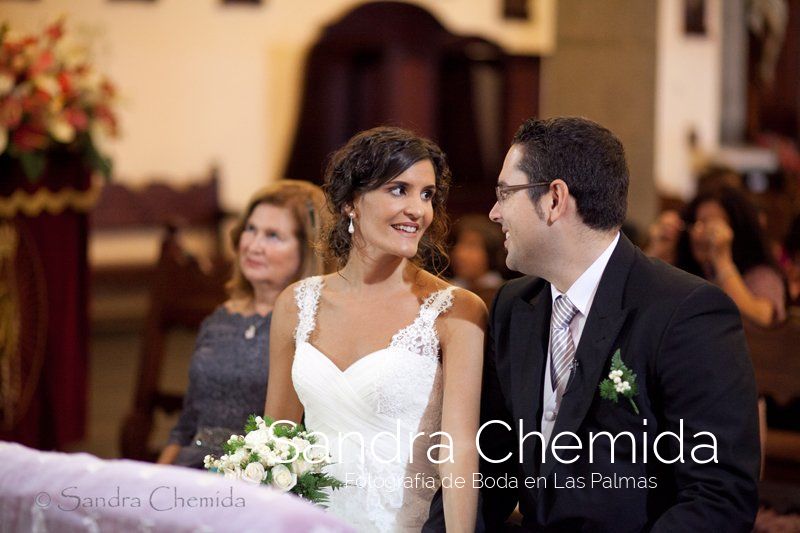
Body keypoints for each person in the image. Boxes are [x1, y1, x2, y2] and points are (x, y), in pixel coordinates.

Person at [480, 117, 760, 531]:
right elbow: (494, 469)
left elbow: (719, 495)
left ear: (555, 199)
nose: (494, 212)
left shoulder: (686, 312)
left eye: (506, 192)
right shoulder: (513, 306)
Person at [265, 126, 486, 532]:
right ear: (351, 201)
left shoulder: (457, 312)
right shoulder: (296, 304)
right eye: (399, 190)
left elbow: (458, 454)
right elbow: (276, 441)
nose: (418, 210)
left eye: (427, 194)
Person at [157, 180, 327, 467]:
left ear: (308, 249)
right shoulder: (220, 319)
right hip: (191, 468)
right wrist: (152, 484)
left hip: (259, 480)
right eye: (251, 229)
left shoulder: (315, 328)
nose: (253, 245)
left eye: (273, 235)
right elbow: (185, 427)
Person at [674, 186, 786, 328]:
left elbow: (762, 320)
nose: (699, 232)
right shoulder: (687, 270)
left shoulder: (762, 275)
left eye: (713, 225)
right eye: (698, 222)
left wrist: (722, 259)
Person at [449, 214, 507, 306]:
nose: (459, 254)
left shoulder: (505, 296)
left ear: (490, 254)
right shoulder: (445, 293)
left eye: (471, 246)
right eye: (458, 245)